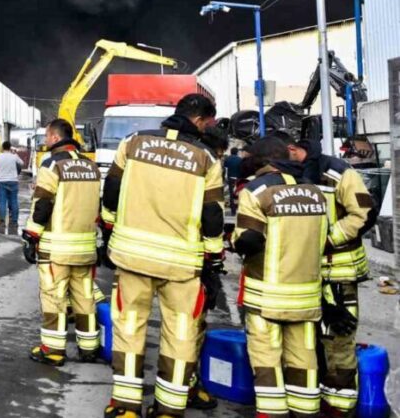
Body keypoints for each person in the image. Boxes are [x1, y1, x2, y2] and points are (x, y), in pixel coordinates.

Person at [101, 94, 224, 418]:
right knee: (181, 334)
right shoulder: (207, 158)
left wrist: (111, 232)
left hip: (132, 256)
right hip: (182, 264)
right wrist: (212, 260)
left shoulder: (132, 142)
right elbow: (212, 215)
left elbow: (111, 191)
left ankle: (126, 407)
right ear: (199, 120)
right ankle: (169, 408)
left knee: (129, 328)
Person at [233, 136, 330, 418]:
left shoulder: (256, 190)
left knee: (266, 358)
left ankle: (272, 413)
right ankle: (306, 411)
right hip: (306, 294)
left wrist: (235, 242)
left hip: (268, 294)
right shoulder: (315, 192)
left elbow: (249, 240)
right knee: (304, 357)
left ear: (261, 161)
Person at [287, 138, 375, 417]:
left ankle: (339, 405)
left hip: (338, 269)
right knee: (305, 337)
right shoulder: (290, 174)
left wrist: (324, 239)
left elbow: (364, 213)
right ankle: (313, 396)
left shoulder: (338, 172)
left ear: (293, 149)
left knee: (338, 337)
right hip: (304, 270)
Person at [24, 119, 101, 367]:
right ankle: (89, 348)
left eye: (47, 137)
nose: (45, 141)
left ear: (55, 138)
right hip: (85, 247)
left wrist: (31, 235)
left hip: (57, 248)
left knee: (54, 297)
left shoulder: (52, 164)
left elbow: (43, 203)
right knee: (85, 298)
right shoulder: (91, 166)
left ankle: (54, 350)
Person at [0, 141, 23, 225]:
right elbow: (22, 163)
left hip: (2, 182)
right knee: (14, 201)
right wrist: (15, 154)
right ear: (10, 148)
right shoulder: (14, 156)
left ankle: (2, 220)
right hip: (13, 181)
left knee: (2, 201)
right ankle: (14, 220)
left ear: (2, 148)